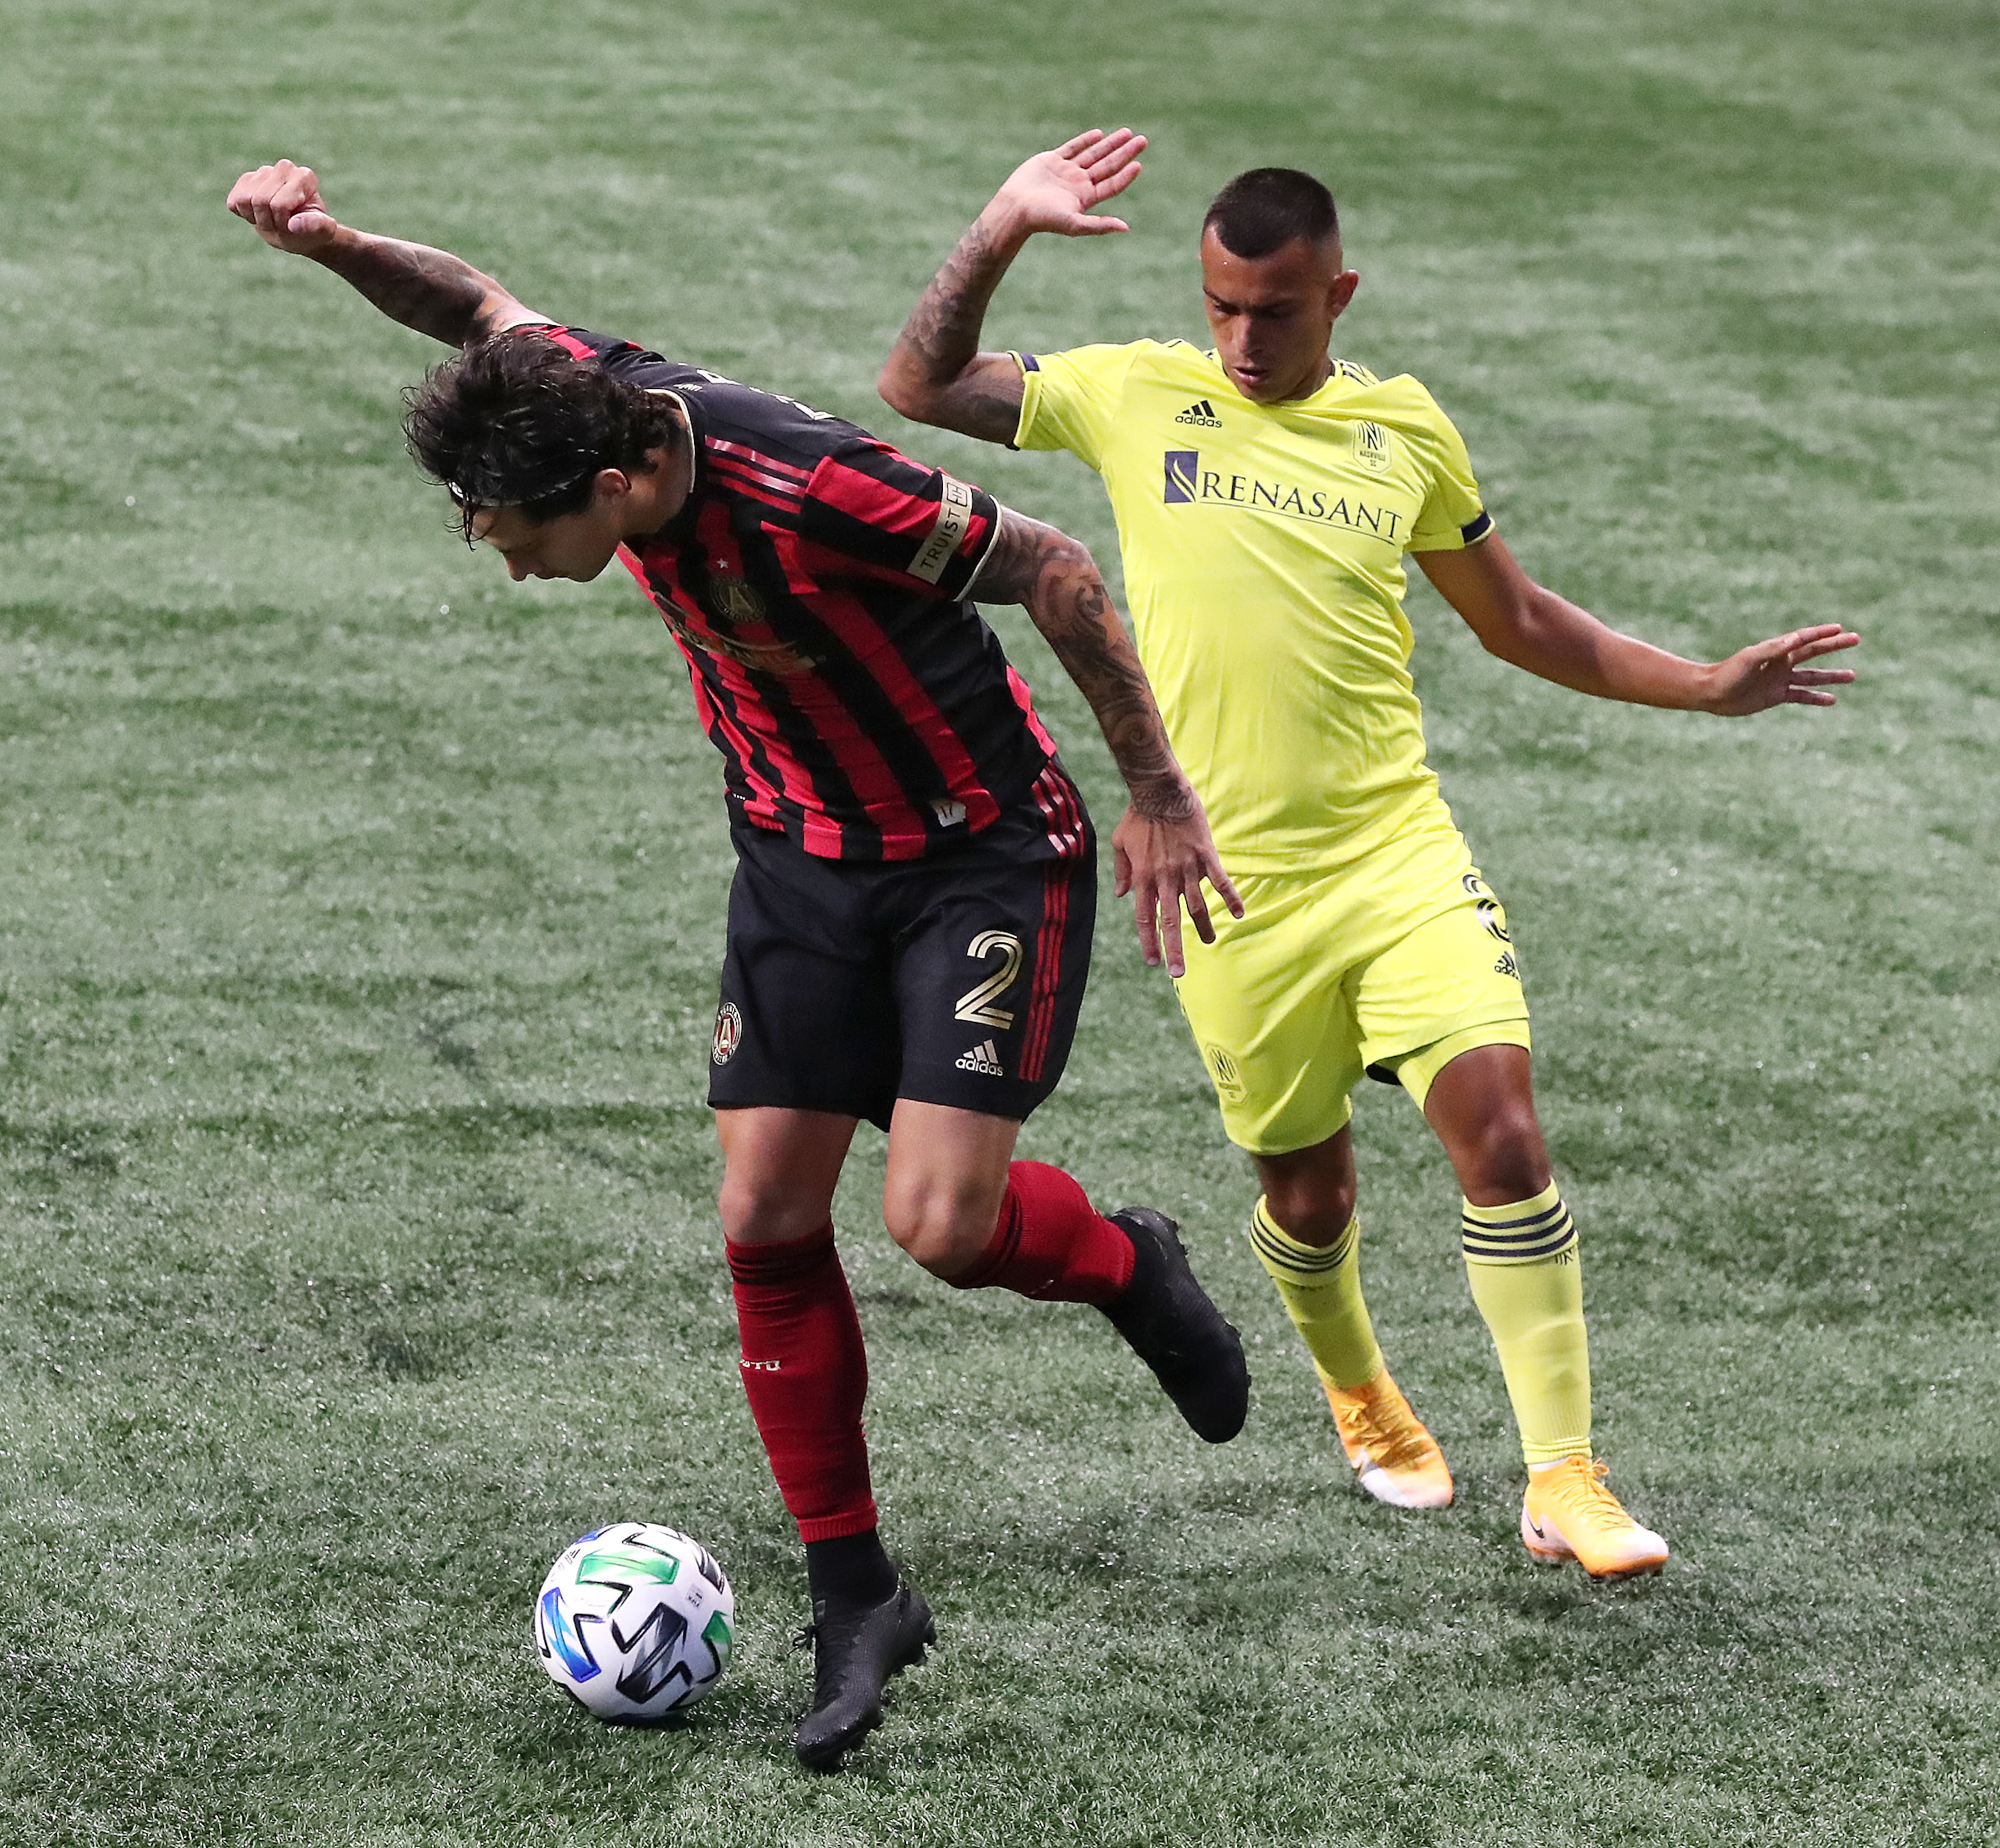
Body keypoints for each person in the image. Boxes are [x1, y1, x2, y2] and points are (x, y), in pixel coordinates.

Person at [224, 159, 1252, 1766]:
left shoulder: (819, 491)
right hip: (796, 860)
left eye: (520, 534)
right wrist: (332, 241)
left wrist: (1162, 802)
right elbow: (473, 307)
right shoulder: (581, 402)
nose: (507, 563)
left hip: (980, 855)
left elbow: (1054, 567)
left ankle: (1130, 1265)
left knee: (937, 1224)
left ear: (625, 486)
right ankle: (857, 1597)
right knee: (766, 1215)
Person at [879, 131, 1859, 1577]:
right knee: (1308, 1193)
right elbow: (916, 385)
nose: (1242, 338)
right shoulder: (1136, 389)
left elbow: (1519, 620)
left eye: (1273, 311)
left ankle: (1566, 1479)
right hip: (1227, 887)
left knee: (1504, 1134)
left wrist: (1707, 683)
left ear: (1340, 294)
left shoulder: (1403, 432)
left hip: (1395, 852)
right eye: (1220, 305)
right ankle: (1358, 1389)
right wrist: (1006, 224)